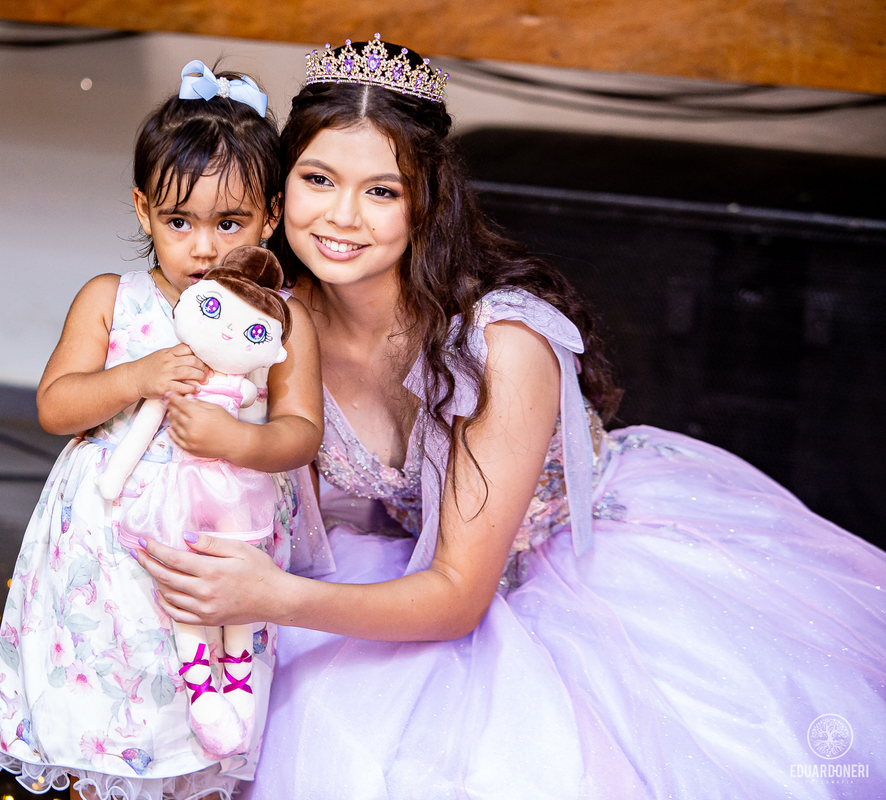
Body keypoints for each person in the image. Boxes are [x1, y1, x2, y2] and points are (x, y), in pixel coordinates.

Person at [134, 37, 886, 799]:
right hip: (390, 555)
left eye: (382, 191)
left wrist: (272, 597)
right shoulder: (266, 325)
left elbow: (458, 595)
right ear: (278, 192)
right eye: (318, 179)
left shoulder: (499, 344)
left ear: (427, 199)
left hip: (549, 576)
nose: (341, 217)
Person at [0, 61, 323, 800]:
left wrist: (240, 442)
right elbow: (56, 405)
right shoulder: (111, 298)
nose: (203, 248)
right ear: (143, 211)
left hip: (219, 540)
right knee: (104, 696)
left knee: (196, 708)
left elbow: (300, 433)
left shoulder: (280, 319)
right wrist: (137, 377)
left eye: (228, 224)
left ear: (267, 216)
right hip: (107, 555)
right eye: (179, 222)